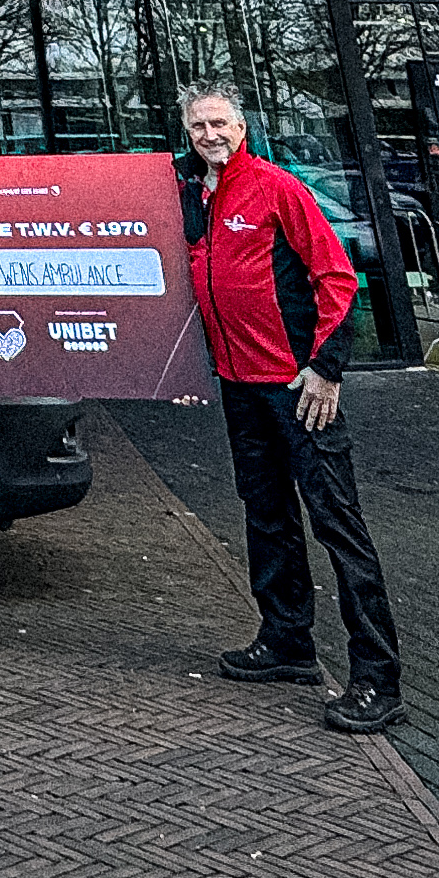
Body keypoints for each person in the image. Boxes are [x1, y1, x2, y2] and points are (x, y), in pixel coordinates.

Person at [179, 79, 402, 732]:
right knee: (267, 515)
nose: (209, 136)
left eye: (218, 123)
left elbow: (337, 276)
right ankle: (286, 640)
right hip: (239, 387)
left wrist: (326, 369)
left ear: (241, 127)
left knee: (337, 523)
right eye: (198, 127)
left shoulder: (277, 189)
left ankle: (378, 679)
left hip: (297, 390)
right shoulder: (197, 197)